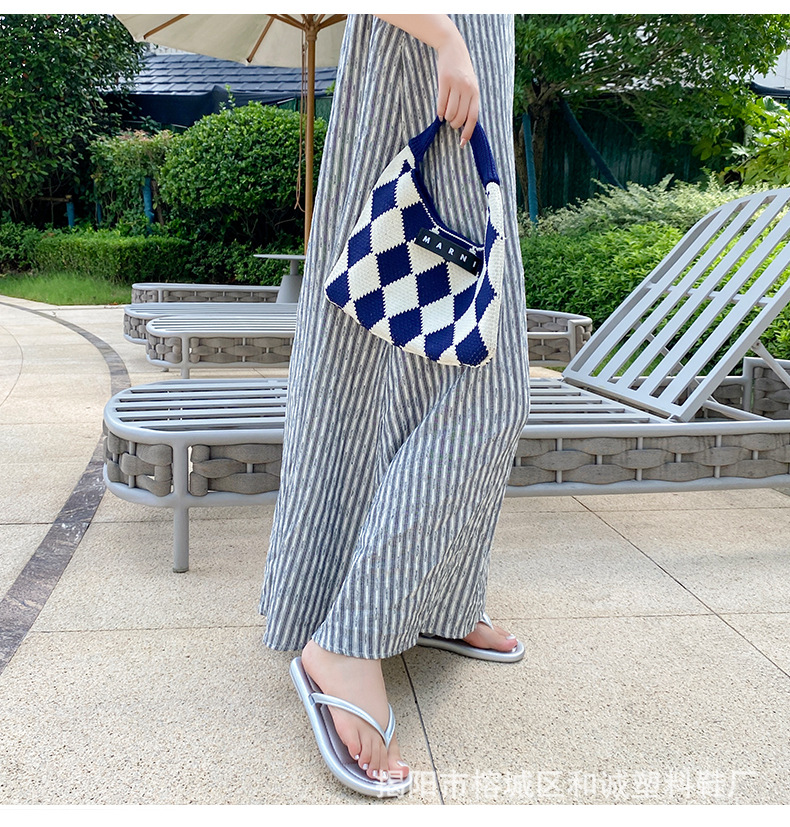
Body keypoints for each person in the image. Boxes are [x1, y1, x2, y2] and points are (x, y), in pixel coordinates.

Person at [260, 14, 530, 795]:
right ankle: (347, 641)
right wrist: (445, 36)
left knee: (404, 374)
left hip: (454, 61)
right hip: (427, 59)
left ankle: (443, 598)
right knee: (489, 393)